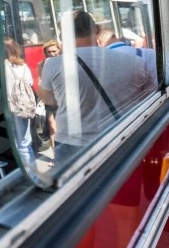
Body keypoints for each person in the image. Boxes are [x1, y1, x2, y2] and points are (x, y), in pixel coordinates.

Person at [38, 10, 156, 163]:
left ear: (64, 35)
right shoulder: (134, 61)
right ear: (95, 30)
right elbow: (150, 95)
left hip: (72, 144)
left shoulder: (53, 64)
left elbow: (49, 100)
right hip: (123, 136)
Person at [3, 37, 36, 168]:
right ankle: (33, 173)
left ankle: (25, 172)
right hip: (24, 106)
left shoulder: (3, 65)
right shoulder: (23, 65)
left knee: (16, 142)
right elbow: (30, 83)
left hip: (10, 105)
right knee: (25, 143)